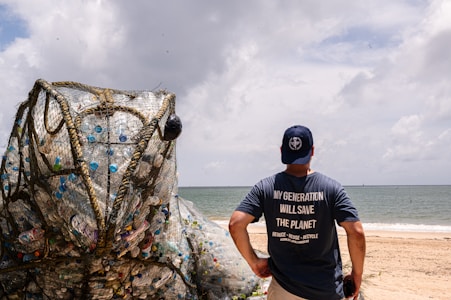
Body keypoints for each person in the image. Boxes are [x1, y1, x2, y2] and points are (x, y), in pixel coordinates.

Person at [229, 125, 366, 300]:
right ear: (313, 150)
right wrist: (357, 273)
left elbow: (236, 224)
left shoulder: (265, 187)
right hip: (326, 289)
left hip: (283, 290)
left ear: (281, 151)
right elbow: (356, 231)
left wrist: (254, 262)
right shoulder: (331, 188)